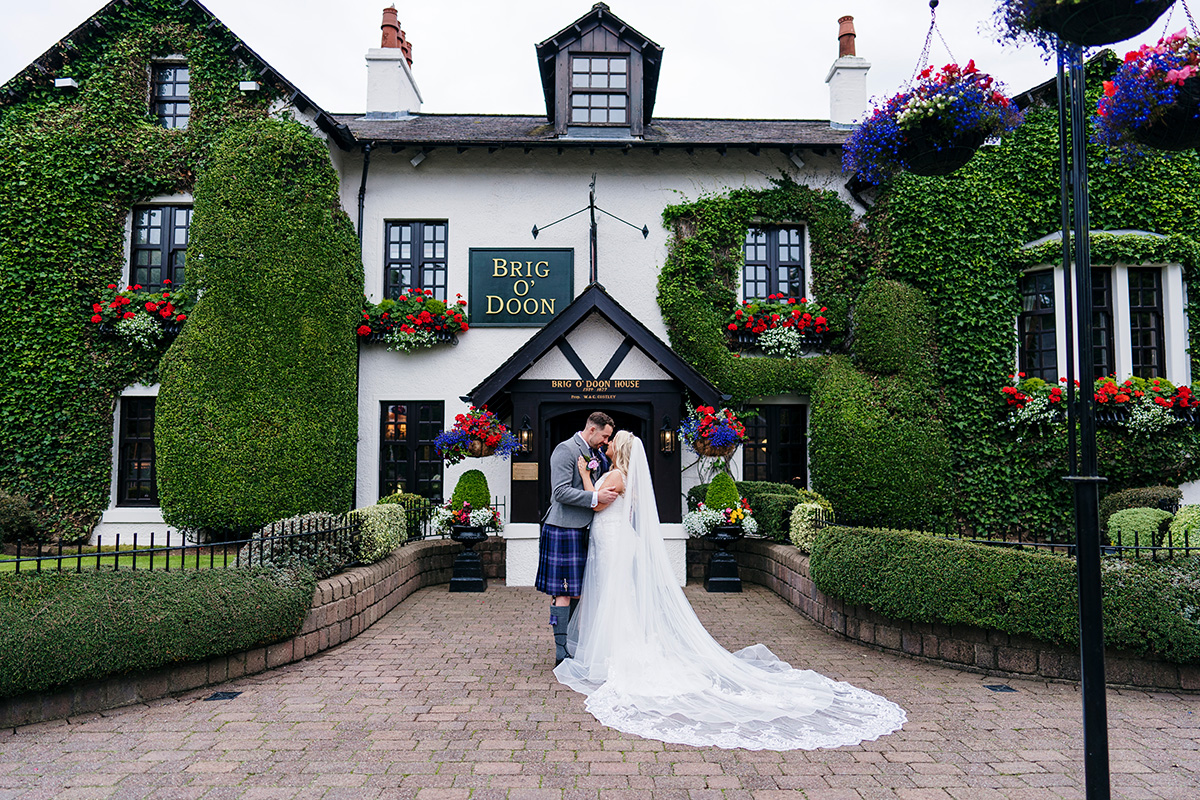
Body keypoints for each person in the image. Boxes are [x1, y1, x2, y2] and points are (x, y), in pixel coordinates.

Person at [554, 430, 907, 751]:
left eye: (613, 440)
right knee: (619, 596)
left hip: (612, 539)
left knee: (616, 596)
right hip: (611, 538)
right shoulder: (624, 474)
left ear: (622, 450)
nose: (609, 443)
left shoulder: (616, 474)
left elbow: (595, 501)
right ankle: (614, 648)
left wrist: (586, 475)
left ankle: (616, 653)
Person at [535, 411, 619, 664]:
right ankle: (562, 651)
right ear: (592, 430)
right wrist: (595, 498)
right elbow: (560, 492)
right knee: (563, 592)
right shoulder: (565, 450)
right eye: (604, 436)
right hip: (563, 528)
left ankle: (573, 642)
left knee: (580, 592)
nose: (606, 441)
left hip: (587, 530)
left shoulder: (597, 455)